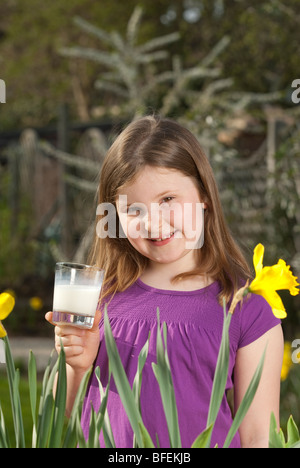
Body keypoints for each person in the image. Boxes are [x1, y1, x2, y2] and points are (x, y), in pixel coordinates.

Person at [46, 115, 283, 448]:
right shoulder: (96, 298)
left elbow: (260, 437)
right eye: (132, 209)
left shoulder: (248, 310)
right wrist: (76, 368)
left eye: (168, 200)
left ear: (204, 196)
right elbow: (57, 421)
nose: (153, 223)